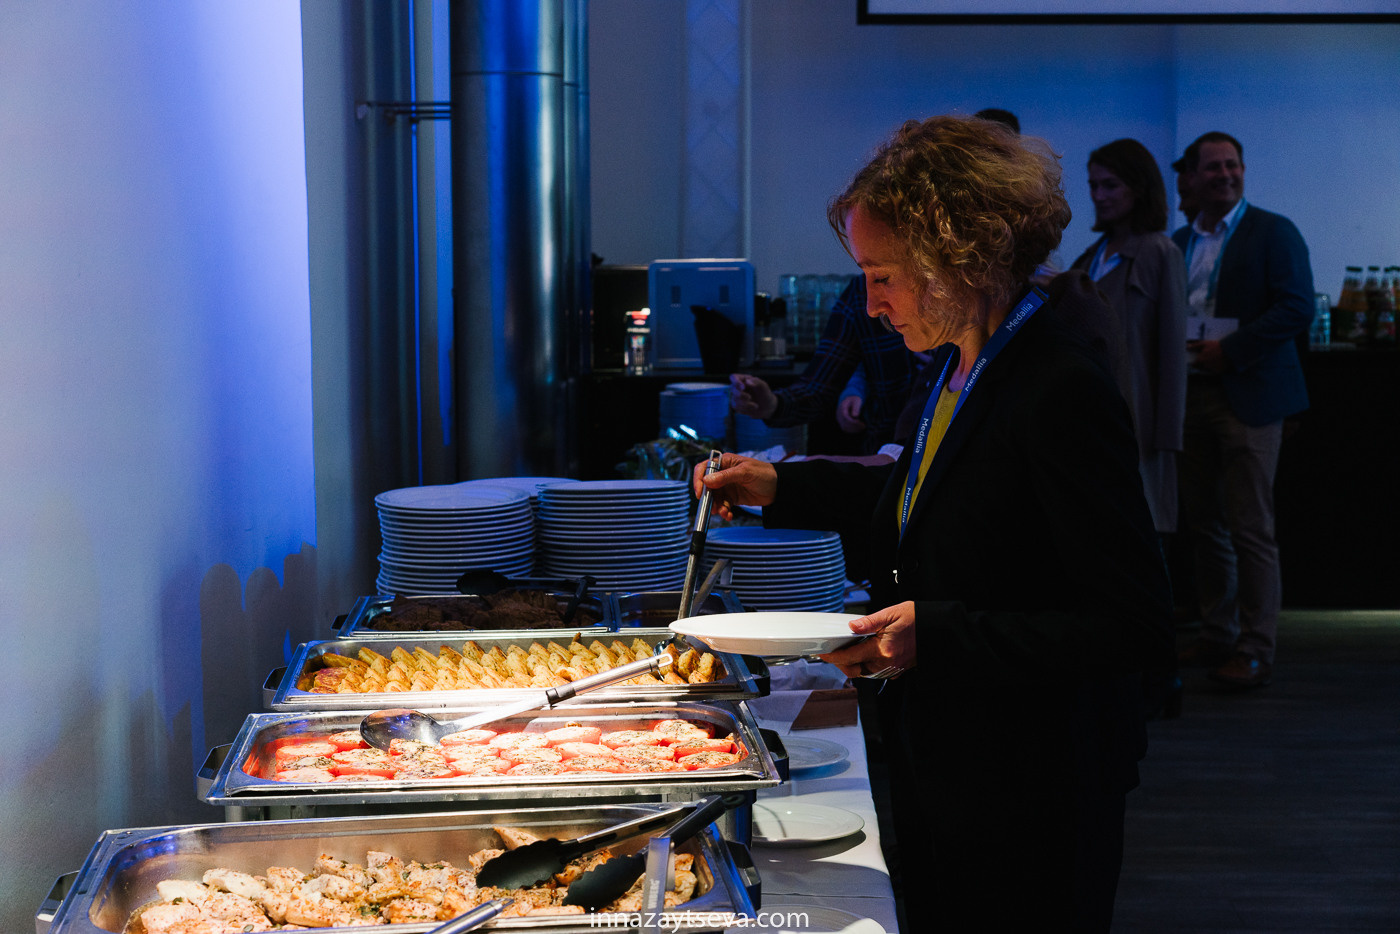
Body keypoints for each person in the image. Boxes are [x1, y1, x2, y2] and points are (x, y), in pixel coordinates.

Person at [696, 115, 1173, 932]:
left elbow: (1130, 621)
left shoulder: (1058, 384)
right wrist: (780, 485)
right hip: (951, 750)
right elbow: (921, 501)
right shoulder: (959, 361)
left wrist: (938, 635)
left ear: (961, 258)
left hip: (1036, 777)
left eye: (882, 276)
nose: (872, 305)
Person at [1170, 132, 1314, 690]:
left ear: (1244, 171)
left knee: (1252, 528)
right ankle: (1217, 633)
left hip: (1250, 393)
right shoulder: (1180, 239)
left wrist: (1231, 350)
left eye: (1232, 165)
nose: (1224, 175)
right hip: (1190, 393)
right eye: (1213, 168)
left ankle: (1256, 647)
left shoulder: (1275, 231)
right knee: (1206, 526)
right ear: (1193, 177)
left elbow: (1296, 306)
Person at [1071, 138, 1189, 537]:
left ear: (1138, 187)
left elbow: (1173, 352)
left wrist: (1167, 437)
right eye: (1093, 185)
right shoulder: (1090, 256)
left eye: (1110, 185)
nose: (1099, 196)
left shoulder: (1160, 252)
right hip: (1091, 413)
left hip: (1141, 417)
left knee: (1141, 527)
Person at [729, 275, 921, 454]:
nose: (872, 308)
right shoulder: (859, 293)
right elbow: (819, 386)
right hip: (880, 458)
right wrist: (772, 404)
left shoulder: (943, 294)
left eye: (883, 278)